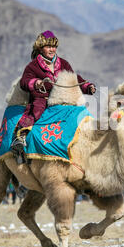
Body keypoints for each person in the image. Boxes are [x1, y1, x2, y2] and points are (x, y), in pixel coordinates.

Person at [11, 30, 96, 164]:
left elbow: (74, 79)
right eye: (48, 46)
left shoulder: (63, 64)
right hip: (42, 99)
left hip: (61, 99)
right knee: (36, 110)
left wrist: (87, 87)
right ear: (40, 47)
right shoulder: (33, 66)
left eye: (54, 46)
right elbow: (24, 82)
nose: (52, 49)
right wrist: (36, 83)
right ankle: (20, 137)